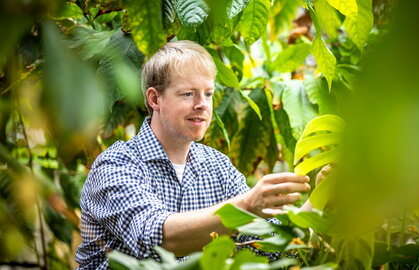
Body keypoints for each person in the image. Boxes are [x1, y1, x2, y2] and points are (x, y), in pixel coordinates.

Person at [75, 40, 312, 269]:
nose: (202, 104)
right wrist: (246, 206)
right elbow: (154, 239)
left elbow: (271, 248)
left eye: (208, 94)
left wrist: (320, 201)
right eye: (188, 94)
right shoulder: (116, 165)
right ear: (155, 98)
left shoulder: (217, 166)